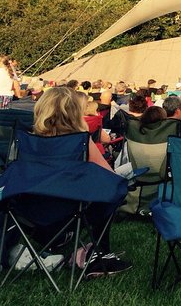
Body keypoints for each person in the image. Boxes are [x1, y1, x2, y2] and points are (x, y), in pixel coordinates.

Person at [32, 86, 131, 277]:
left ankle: (58, 242)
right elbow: (109, 176)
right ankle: (99, 253)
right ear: (75, 113)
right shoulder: (80, 141)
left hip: (32, 211)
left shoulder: (28, 140)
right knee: (112, 192)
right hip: (71, 211)